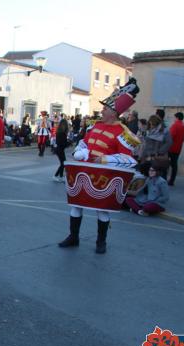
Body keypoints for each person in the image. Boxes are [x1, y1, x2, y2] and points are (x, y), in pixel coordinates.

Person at [59, 78, 141, 254]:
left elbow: (129, 159)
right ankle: (73, 237)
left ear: (113, 112)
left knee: (102, 210)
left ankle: (100, 242)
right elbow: (85, 143)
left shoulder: (123, 133)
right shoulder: (95, 126)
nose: (102, 111)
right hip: (85, 172)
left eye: (105, 108)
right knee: (76, 206)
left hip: (105, 176)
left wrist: (105, 159)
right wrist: (80, 151)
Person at [167, 112, 184, 186]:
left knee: (166, 164)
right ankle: (172, 180)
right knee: (174, 165)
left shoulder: (175, 126)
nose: (174, 119)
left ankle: (164, 178)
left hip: (171, 148)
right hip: (178, 148)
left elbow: (170, 137)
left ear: (177, 118)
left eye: (174, 117)